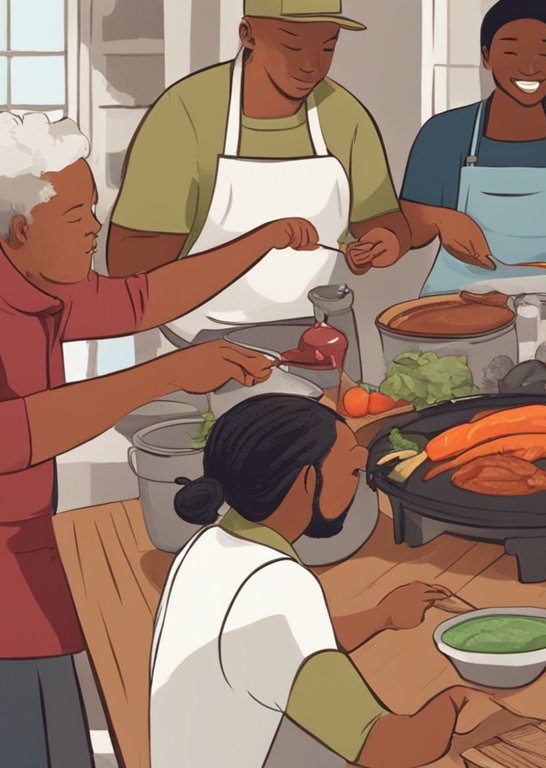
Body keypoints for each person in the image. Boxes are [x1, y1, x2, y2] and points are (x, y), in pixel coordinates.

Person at [0, 112, 316, 768]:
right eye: (77, 213)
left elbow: (142, 300)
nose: (96, 226)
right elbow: (12, 437)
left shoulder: (39, 285)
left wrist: (260, 241)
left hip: (32, 551)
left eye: (95, 205)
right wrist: (168, 373)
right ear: (20, 230)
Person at [151, 395, 489, 768]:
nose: (360, 482)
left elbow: (277, 652)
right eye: (352, 472)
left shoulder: (207, 546)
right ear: (308, 481)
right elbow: (392, 746)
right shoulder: (278, 584)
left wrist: (384, 617)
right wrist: (456, 700)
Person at [106, 0, 410, 347]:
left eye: (327, 47)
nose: (310, 65)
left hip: (314, 331)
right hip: (196, 340)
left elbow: (383, 219)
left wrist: (383, 243)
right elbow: (132, 267)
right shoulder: (186, 113)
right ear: (247, 34)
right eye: (291, 45)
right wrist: (259, 242)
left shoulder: (344, 115)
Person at [399, 0, 546, 326]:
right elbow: (411, 229)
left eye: (545, 52)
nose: (530, 66)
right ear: (486, 56)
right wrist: (441, 220)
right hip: (459, 308)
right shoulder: (443, 135)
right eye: (512, 52)